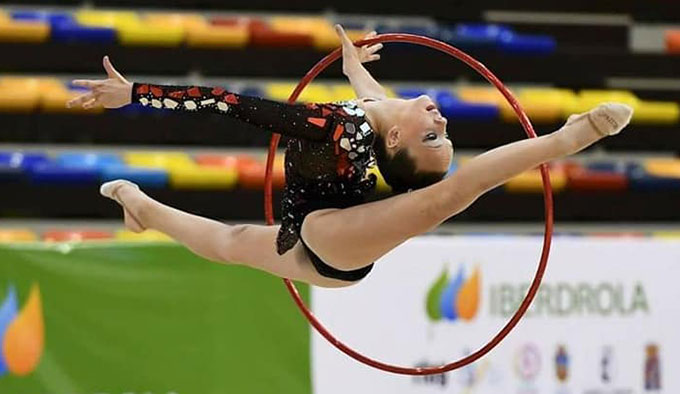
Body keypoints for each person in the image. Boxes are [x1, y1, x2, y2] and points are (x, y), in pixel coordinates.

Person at [66, 25, 633, 288]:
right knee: (230, 241)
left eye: (433, 137)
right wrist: (352, 64)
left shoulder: (328, 126)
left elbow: (222, 101)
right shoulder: (377, 114)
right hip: (316, 220)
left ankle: (567, 138)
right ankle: (138, 205)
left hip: (340, 237)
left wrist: (135, 93)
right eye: (442, 133)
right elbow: (372, 100)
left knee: (449, 197)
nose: (441, 120)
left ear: (394, 148)